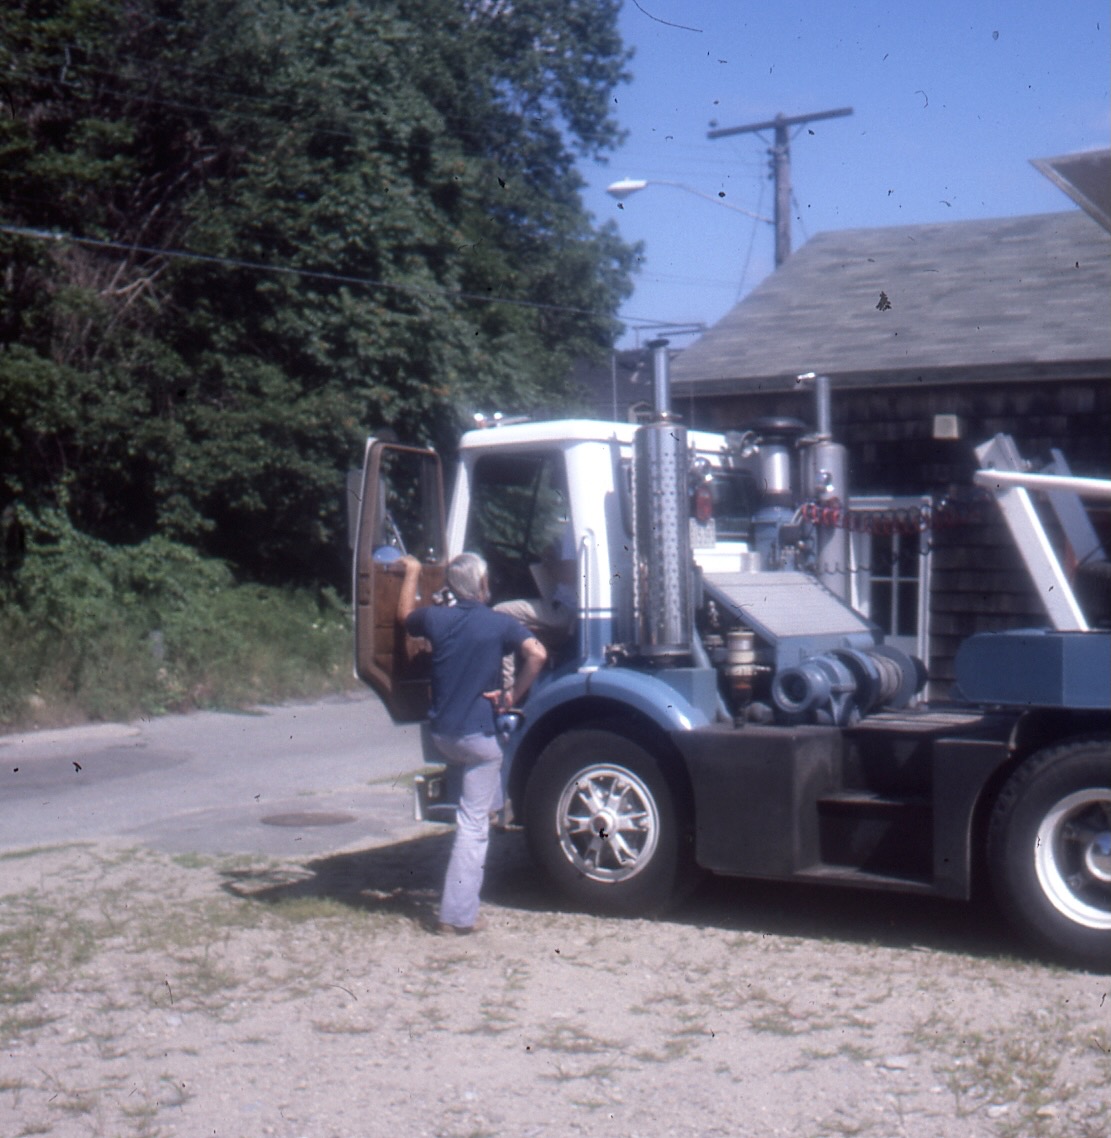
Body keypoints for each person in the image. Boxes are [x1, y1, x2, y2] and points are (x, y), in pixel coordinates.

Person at [397, 551, 547, 935]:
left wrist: (413, 572)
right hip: (478, 740)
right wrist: (513, 694)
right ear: (483, 585)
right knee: (473, 823)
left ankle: (494, 807)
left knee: (482, 771)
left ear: (451, 586)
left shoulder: (436, 618)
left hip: (443, 736)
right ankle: (457, 916)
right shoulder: (499, 623)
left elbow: (404, 616)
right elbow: (538, 653)